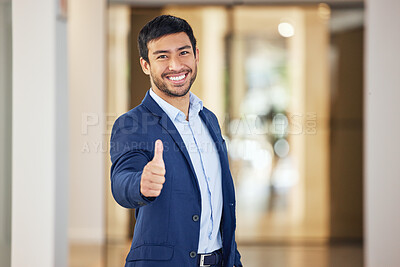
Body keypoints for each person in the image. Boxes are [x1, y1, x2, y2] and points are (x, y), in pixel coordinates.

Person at [110, 15, 243, 267]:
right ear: (145, 65)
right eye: (162, 56)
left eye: (183, 52)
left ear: (196, 55)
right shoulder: (132, 123)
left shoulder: (209, 119)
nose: (175, 65)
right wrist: (140, 183)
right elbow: (121, 179)